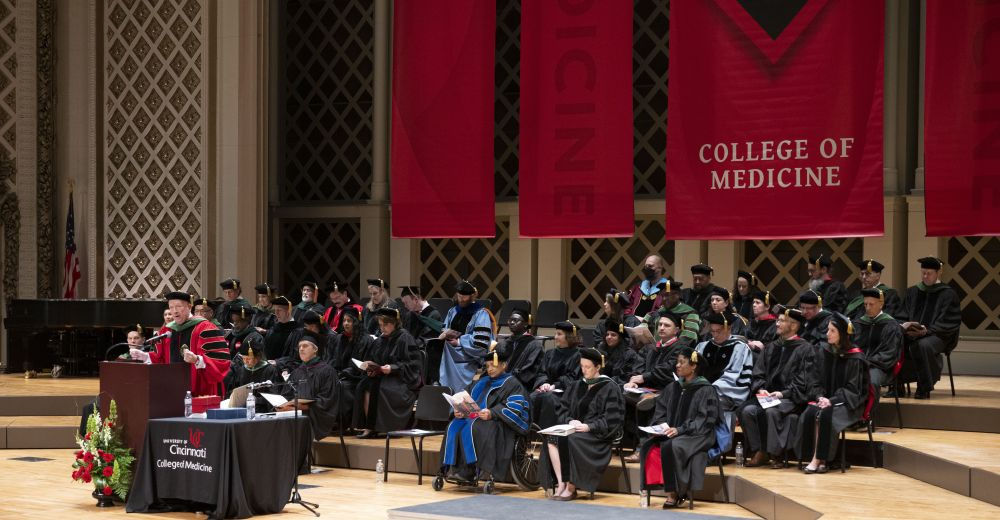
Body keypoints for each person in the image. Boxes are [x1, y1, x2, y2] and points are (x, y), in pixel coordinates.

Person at [638, 347, 721, 509]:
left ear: (694, 366)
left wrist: (680, 430)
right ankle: (664, 489)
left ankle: (675, 493)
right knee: (649, 446)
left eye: (682, 362)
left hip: (698, 434)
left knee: (672, 445)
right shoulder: (672, 387)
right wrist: (662, 427)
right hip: (673, 433)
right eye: (677, 362)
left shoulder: (706, 390)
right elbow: (660, 411)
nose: (677, 365)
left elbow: (704, 421)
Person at [539, 347, 624, 501]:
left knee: (570, 440)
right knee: (551, 438)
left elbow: (612, 419)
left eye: (588, 367)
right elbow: (562, 408)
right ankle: (561, 483)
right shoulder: (577, 385)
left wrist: (589, 426)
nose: (584, 370)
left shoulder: (609, 387)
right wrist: (569, 420)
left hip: (596, 436)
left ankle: (571, 486)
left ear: (598, 367)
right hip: (574, 430)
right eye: (582, 366)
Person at [439, 342, 531, 483]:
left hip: (498, 423)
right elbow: (465, 396)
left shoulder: (512, 383)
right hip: (475, 418)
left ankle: (470, 471)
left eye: (493, 365)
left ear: (504, 365)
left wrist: (492, 413)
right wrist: (458, 410)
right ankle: (452, 469)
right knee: (454, 425)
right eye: (487, 366)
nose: (490, 369)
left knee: (474, 427)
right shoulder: (482, 382)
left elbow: (515, 407)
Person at [739, 307, 813, 468]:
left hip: (791, 397)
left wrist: (782, 393)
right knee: (746, 410)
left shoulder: (805, 349)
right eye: (777, 320)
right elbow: (758, 373)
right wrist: (760, 388)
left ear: (793, 326)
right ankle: (760, 450)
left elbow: (804, 380)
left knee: (772, 411)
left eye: (781, 321)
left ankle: (776, 454)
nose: (777, 324)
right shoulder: (772, 347)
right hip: (767, 395)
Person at [796, 313, 868, 473]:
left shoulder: (855, 357)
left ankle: (817, 459)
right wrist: (820, 396)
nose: (827, 334)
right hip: (824, 399)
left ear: (842, 334)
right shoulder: (824, 352)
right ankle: (821, 461)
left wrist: (832, 400)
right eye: (828, 330)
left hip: (848, 403)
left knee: (824, 416)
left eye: (832, 331)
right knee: (810, 414)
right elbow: (814, 379)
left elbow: (853, 389)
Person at [129, 291, 230, 396]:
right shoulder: (167, 330)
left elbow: (220, 361)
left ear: (189, 306)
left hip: (202, 391)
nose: (175, 311)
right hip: (174, 390)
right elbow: (161, 358)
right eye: (171, 307)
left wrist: (197, 360)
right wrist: (145, 356)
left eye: (178, 306)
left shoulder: (205, 328)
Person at [896, 257, 962, 399]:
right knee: (896, 341)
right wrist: (904, 326)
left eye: (929, 273)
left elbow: (949, 321)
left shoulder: (948, 294)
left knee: (923, 345)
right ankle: (897, 385)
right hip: (913, 333)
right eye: (923, 273)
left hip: (938, 335)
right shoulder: (913, 292)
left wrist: (927, 330)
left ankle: (923, 386)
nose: (925, 276)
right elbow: (902, 315)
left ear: (938, 273)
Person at [352, 307, 422, 437]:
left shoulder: (405, 338)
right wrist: (371, 369)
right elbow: (373, 360)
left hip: (401, 380)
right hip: (383, 377)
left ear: (395, 323)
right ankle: (368, 425)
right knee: (363, 384)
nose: (382, 328)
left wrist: (393, 368)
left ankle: (372, 427)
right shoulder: (380, 340)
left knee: (376, 387)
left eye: (386, 325)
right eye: (380, 325)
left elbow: (413, 365)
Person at [278, 333, 342, 440]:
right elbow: (286, 394)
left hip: (317, 417)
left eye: (305, 346)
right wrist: (282, 405)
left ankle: (299, 456)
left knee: (290, 429)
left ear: (315, 349)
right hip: (295, 413)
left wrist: (302, 407)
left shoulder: (327, 371)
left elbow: (327, 400)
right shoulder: (296, 372)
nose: (301, 349)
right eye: (299, 347)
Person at [439, 280, 496, 391]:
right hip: (451, 351)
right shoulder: (453, 311)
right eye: (459, 296)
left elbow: (481, 343)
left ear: (472, 296)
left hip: (468, 356)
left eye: (464, 296)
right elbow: (444, 329)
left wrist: (459, 342)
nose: (461, 299)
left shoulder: (481, 313)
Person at [853, 288, 903, 407]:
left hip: (880, 366)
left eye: (871, 304)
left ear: (881, 304)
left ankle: (867, 416)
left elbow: (889, 353)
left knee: (871, 380)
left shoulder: (891, 325)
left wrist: (868, 362)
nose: (868, 308)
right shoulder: (858, 324)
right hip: (859, 363)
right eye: (865, 304)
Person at [695, 313, 753, 413]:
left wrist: (711, 388)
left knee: (705, 402)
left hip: (725, 394)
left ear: (729, 328)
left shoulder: (740, 348)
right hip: (700, 390)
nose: (715, 335)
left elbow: (735, 375)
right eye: (712, 331)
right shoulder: (702, 346)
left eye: (718, 331)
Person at [531, 321, 583, 428]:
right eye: (555, 334)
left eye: (559, 334)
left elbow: (573, 377)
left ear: (569, 337)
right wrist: (544, 383)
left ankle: (548, 435)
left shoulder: (579, 355)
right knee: (531, 397)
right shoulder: (550, 353)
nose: (555, 337)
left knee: (549, 398)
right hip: (547, 389)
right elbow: (542, 372)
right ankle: (530, 433)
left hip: (566, 392)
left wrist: (554, 386)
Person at [327, 307, 373, 425]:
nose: (346, 323)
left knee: (342, 386)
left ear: (356, 323)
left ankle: (344, 423)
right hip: (341, 375)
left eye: (349, 321)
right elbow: (334, 360)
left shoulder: (365, 340)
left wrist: (345, 373)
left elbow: (362, 363)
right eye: (344, 321)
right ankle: (330, 421)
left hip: (356, 377)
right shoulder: (340, 338)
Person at [223, 336, 282, 413]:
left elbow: (274, 396)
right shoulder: (242, 369)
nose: (245, 362)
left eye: (248, 359)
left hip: (262, 410)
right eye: (243, 359)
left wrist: (257, 400)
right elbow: (235, 389)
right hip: (242, 409)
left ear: (258, 357)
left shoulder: (270, 370)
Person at [494, 307, 543, 391]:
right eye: (510, 320)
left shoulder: (535, 345)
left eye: (516, 320)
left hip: (519, 386)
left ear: (525, 324)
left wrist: (508, 379)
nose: (512, 322)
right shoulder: (503, 344)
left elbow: (530, 371)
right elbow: (491, 363)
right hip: (498, 382)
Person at [597, 318, 643, 386]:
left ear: (620, 338)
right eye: (607, 334)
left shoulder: (629, 354)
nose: (609, 337)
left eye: (613, 335)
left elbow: (628, 377)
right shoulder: (601, 350)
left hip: (619, 386)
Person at [263, 296, 304, 363]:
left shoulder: (298, 332)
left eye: (279, 310)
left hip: (286, 370)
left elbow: (295, 357)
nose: (276, 313)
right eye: (275, 310)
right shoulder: (273, 329)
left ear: (288, 311)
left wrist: (278, 363)